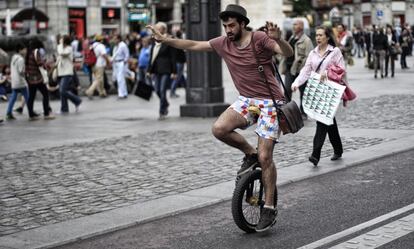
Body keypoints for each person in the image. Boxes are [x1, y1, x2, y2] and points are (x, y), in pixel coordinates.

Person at [146, 4, 293, 232]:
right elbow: (194, 44)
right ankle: (249, 153)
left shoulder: (260, 39)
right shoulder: (224, 43)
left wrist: (280, 39)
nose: (228, 30)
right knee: (219, 128)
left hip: (270, 102)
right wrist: (165, 40)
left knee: (266, 157)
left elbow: (287, 53)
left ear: (243, 23)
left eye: (232, 25)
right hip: (247, 100)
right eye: (225, 26)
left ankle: (270, 207)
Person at [291, 26, 345, 167]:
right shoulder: (313, 53)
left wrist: (326, 73)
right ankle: (338, 149)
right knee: (328, 120)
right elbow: (306, 70)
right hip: (317, 90)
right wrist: (296, 83)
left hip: (330, 90)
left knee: (322, 120)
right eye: (316, 35)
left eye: (321, 35)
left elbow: (341, 69)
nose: (318, 37)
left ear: (327, 37)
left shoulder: (335, 51)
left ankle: (315, 154)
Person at [280, 18, 313, 118]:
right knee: (287, 90)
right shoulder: (292, 38)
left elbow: (310, 57)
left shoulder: (307, 40)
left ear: (301, 27)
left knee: (303, 92)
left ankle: (303, 112)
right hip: (290, 69)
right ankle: (287, 111)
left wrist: (302, 65)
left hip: (300, 71)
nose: (293, 26)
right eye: (293, 25)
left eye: (295, 25)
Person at [148, 22, 177, 120]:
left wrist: (174, 72)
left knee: (162, 90)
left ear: (163, 30)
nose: (155, 30)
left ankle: (162, 111)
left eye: (158, 28)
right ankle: (166, 103)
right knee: (156, 90)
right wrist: (149, 70)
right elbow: (152, 57)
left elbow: (173, 57)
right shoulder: (154, 41)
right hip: (156, 69)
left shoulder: (168, 40)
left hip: (166, 69)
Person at [25, 38, 55, 120]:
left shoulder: (28, 52)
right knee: (45, 94)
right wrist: (45, 63)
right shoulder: (36, 51)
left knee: (31, 96)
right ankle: (46, 113)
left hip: (30, 78)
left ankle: (31, 115)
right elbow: (39, 63)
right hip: (37, 78)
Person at [56, 35, 82, 113]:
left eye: (62, 39)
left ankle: (77, 100)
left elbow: (61, 53)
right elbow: (59, 58)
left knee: (63, 90)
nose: (60, 40)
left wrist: (60, 45)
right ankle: (64, 109)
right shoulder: (63, 48)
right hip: (61, 72)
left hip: (67, 72)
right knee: (62, 92)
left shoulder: (69, 49)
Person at [6, 42, 29, 120]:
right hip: (21, 81)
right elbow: (21, 71)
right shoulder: (21, 59)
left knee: (13, 97)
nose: (26, 51)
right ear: (20, 50)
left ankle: (8, 113)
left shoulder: (13, 57)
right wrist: (26, 75)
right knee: (28, 96)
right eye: (24, 49)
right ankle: (31, 112)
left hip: (14, 81)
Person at [112, 34, 130, 99]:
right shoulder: (115, 46)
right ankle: (124, 93)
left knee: (120, 79)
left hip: (121, 62)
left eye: (115, 39)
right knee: (120, 79)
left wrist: (124, 62)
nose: (114, 40)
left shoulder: (123, 45)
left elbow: (127, 54)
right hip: (116, 63)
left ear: (118, 39)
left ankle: (121, 94)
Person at [170, 30, 187, 98]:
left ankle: (187, 89)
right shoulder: (179, 42)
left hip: (178, 62)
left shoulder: (174, 41)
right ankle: (172, 92)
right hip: (180, 62)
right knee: (177, 78)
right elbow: (182, 53)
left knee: (181, 77)